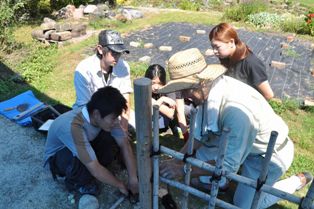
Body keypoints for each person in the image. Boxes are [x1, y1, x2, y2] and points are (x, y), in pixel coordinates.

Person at [158, 48, 313, 209]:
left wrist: (181, 169)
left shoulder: (236, 111)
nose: (181, 96)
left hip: (266, 154)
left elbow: (226, 165)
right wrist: (175, 160)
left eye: (185, 89)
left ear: (202, 82)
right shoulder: (209, 92)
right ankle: (235, 181)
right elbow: (196, 139)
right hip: (234, 141)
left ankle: (295, 182)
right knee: (198, 178)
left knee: (245, 204)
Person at [44, 86, 138, 197]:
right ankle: (76, 182)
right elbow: (95, 168)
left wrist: (133, 179)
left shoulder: (104, 115)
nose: (115, 121)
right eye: (113, 118)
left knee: (110, 137)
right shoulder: (74, 127)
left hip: (82, 145)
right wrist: (120, 185)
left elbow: (124, 144)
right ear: (96, 114)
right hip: (60, 158)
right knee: (84, 164)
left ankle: (94, 169)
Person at [73, 29, 133, 133]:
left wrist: (124, 128)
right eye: (113, 53)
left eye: (119, 53)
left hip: (114, 112)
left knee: (139, 125)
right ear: (100, 49)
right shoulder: (83, 70)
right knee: (101, 138)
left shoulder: (123, 66)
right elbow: (85, 106)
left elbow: (125, 100)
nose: (117, 57)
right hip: (91, 115)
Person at [209, 23, 274, 100]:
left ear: (231, 42)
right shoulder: (226, 58)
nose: (214, 51)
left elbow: (269, 95)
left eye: (217, 47)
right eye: (213, 47)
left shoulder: (251, 63)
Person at [144, 64, 192, 141]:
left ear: (164, 82)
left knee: (186, 109)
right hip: (159, 117)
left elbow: (171, 113)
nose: (156, 87)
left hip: (182, 117)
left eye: (159, 83)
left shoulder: (169, 88)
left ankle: (178, 128)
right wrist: (161, 100)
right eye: (153, 83)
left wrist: (186, 135)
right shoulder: (143, 88)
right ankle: (170, 127)